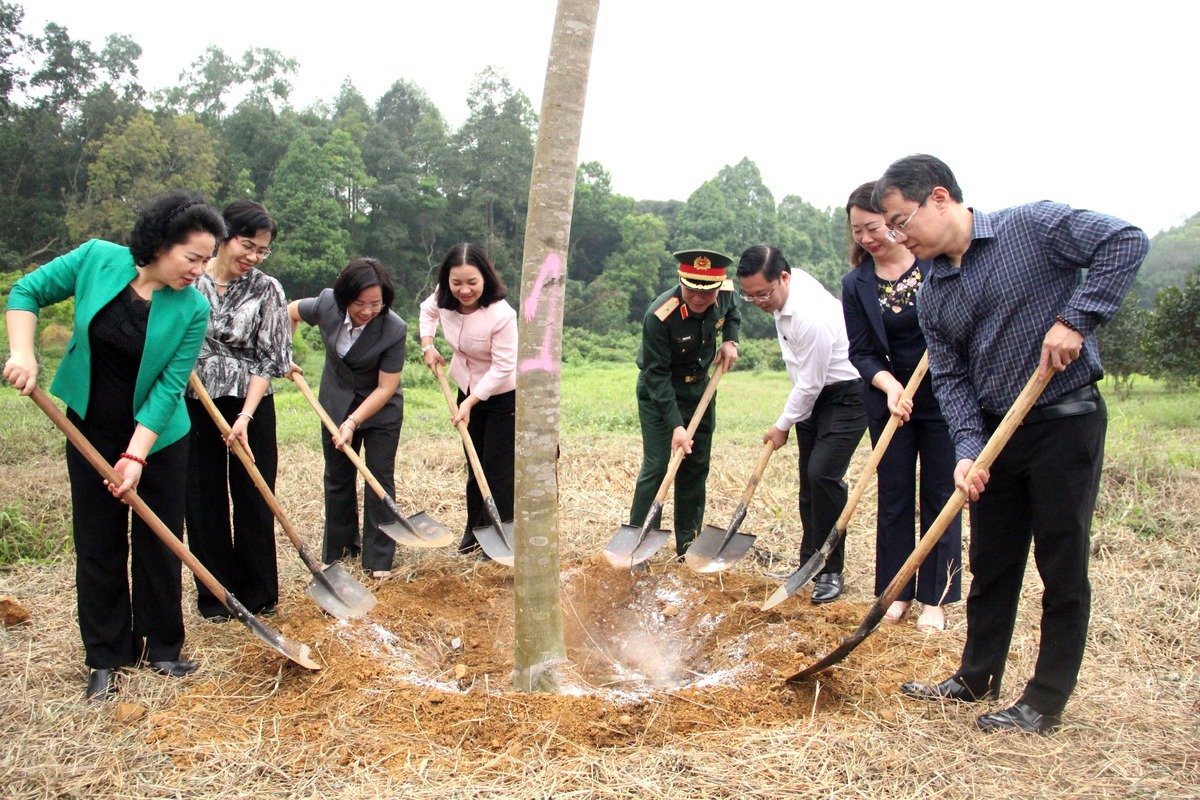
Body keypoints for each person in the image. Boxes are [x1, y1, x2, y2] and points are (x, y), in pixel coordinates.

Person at [874, 154, 1147, 734]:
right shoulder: (933, 293)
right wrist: (969, 448)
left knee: (1059, 559)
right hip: (998, 434)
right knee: (991, 562)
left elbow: (1126, 241)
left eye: (901, 221)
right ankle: (976, 676)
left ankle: (1044, 699)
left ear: (940, 198)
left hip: (1063, 421)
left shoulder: (1034, 227)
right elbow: (950, 377)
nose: (897, 237)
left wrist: (1077, 319)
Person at [4, 191, 225, 700]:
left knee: (160, 537)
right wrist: (24, 353)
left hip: (159, 439)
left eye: (205, 261)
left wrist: (136, 455)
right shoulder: (96, 259)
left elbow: (171, 386)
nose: (198, 270)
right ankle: (105, 655)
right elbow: (25, 292)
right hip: (90, 430)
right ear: (161, 243)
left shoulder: (191, 307)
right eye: (192, 258)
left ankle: (163, 648)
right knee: (99, 540)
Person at [840, 182, 961, 632]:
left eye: (873, 227)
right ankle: (895, 590)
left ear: (892, 221)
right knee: (893, 494)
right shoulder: (856, 284)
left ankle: (936, 597)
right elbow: (861, 351)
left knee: (939, 494)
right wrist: (890, 387)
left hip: (943, 395)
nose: (868, 238)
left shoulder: (933, 267)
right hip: (891, 399)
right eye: (858, 232)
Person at [736, 245, 866, 603]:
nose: (759, 301)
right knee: (809, 482)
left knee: (824, 475)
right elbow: (806, 384)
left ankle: (830, 570)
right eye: (750, 296)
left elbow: (811, 382)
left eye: (764, 293)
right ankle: (808, 562)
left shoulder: (812, 315)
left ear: (785, 278)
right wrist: (793, 417)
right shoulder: (784, 297)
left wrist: (782, 424)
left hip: (846, 395)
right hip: (812, 394)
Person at [185, 201, 292, 621]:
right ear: (224, 237)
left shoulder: (268, 289)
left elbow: (272, 358)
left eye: (262, 250)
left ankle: (259, 595)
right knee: (203, 497)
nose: (253, 257)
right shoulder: (192, 280)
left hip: (251, 406)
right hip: (196, 404)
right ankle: (217, 597)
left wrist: (245, 417)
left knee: (254, 495)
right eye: (247, 245)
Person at [289, 258, 407, 579]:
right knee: (338, 478)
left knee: (378, 478)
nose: (368, 311)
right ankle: (340, 551)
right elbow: (291, 311)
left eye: (375, 304)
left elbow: (386, 387)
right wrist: (284, 352)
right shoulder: (327, 304)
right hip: (335, 403)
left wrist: (353, 422)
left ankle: (379, 559)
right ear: (344, 298)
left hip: (379, 410)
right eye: (359, 304)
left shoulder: (394, 328)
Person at [629, 249, 740, 556]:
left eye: (707, 292)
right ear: (681, 281)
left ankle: (687, 546)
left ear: (718, 287)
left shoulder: (726, 296)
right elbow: (657, 375)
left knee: (695, 466)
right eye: (691, 289)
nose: (699, 298)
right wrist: (676, 426)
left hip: (701, 391)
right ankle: (638, 542)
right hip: (660, 393)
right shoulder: (659, 315)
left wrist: (731, 340)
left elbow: (733, 314)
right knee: (657, 466)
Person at [419, 243, 517, 556]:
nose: (464, 290)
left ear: (485, 279)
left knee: (496, 469)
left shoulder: (501, 315)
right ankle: (474, 532)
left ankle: (499, 540)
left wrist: (472, 402)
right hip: (465, 384)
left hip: (503, 396)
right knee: (473, 465)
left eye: (472, 282)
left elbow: (503, 366)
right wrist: (427, 345)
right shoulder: (442, 299)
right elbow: (426, 311)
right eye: (456, 282)